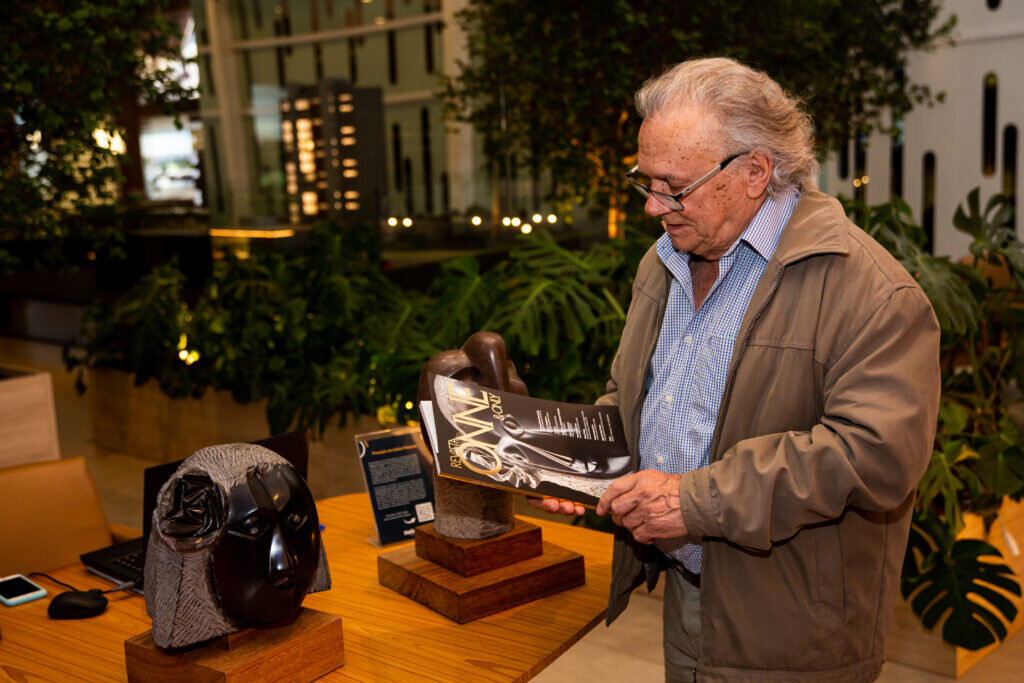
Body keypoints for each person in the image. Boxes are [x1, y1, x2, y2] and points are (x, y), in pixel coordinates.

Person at [530, 57, 940, 681]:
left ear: (754, 172)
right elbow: (640, 394)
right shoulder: (664, 261)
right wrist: (580, 462)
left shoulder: (874, 292)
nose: (653, 207)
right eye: (646, 182)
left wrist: (694, 501)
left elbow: (874, 454)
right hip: (686, 592)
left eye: (674, 186)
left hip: (794, 627)